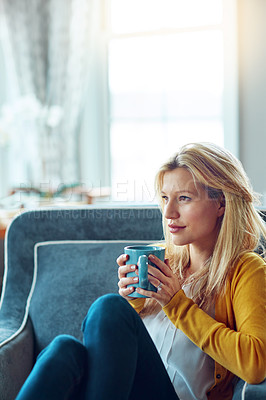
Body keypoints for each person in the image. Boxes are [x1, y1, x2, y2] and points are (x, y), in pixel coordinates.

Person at [16, 143, 266, 400]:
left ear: (221, 204)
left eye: (184, 198)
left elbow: (256, 364)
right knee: (62, 349)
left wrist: (177, 304)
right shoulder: (160, 259)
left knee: (109, 308)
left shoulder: (245, 270)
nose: (169, 213)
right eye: (166, 198)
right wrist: (133, 302)